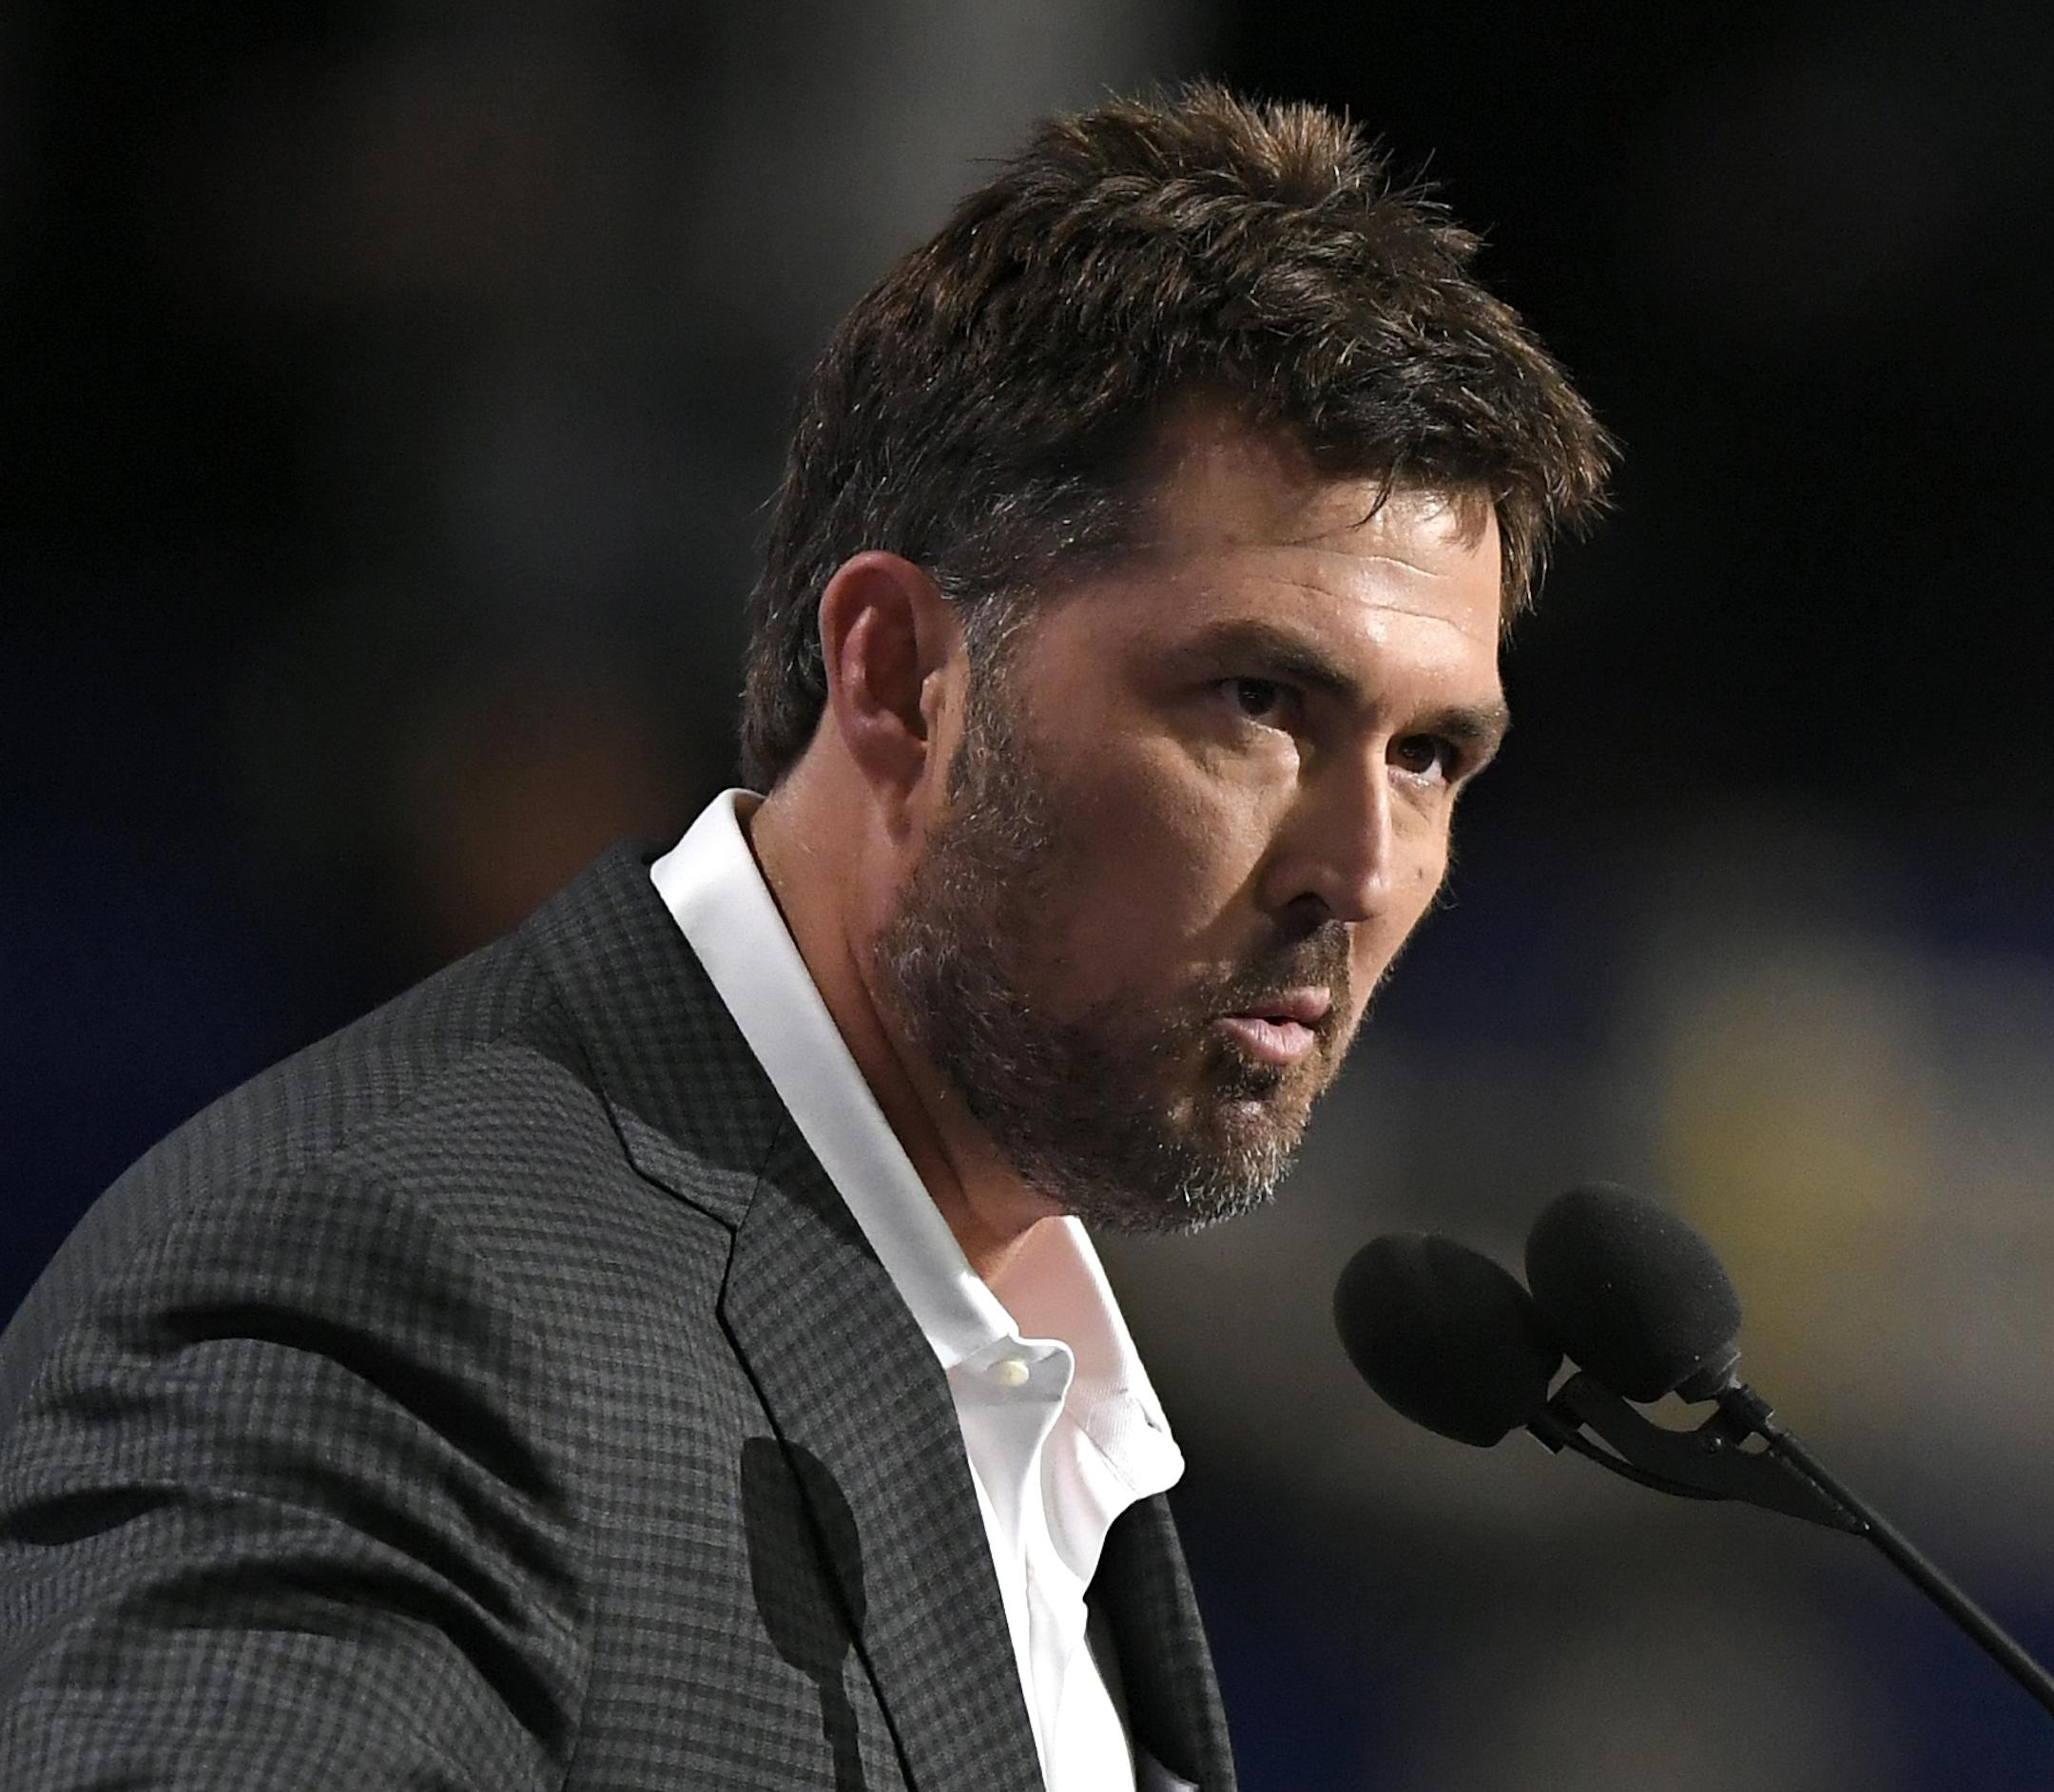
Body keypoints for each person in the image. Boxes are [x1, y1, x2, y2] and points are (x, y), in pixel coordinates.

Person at [0, 84, 1608, 1791]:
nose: (1362, 864)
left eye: (1432, 754)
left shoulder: (1040, 1381)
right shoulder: (386, 1292)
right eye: (1261, 698)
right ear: (901, 677)